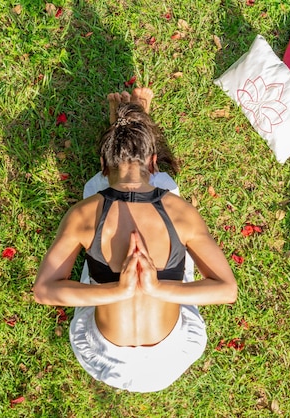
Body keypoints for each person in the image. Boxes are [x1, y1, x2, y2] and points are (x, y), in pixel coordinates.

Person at [33, 88, 237, 392]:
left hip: (103, 357)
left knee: (96, 209)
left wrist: (117, 289)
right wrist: (154, 286)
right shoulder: (180, 212)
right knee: (172, 213)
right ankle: (135, 123)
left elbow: (44, 291)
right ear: (153, 163)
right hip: (171, 356)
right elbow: (227, 290)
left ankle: (128, 127)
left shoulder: (83, 214)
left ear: (103, 164)